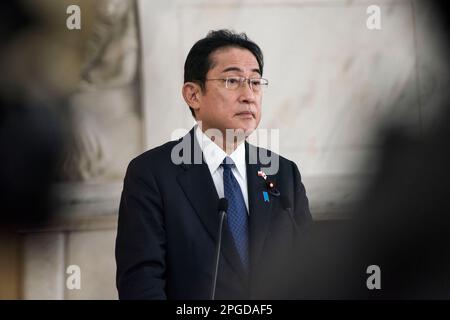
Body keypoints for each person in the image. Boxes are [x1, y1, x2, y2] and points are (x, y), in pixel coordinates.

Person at [115, 29, 312, 299]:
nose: (248, 95)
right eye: (232, 81)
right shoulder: (152, 174)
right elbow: (141, 283)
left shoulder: (283, 173)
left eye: (255, 82)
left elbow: (308, 272)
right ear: (193, 95)